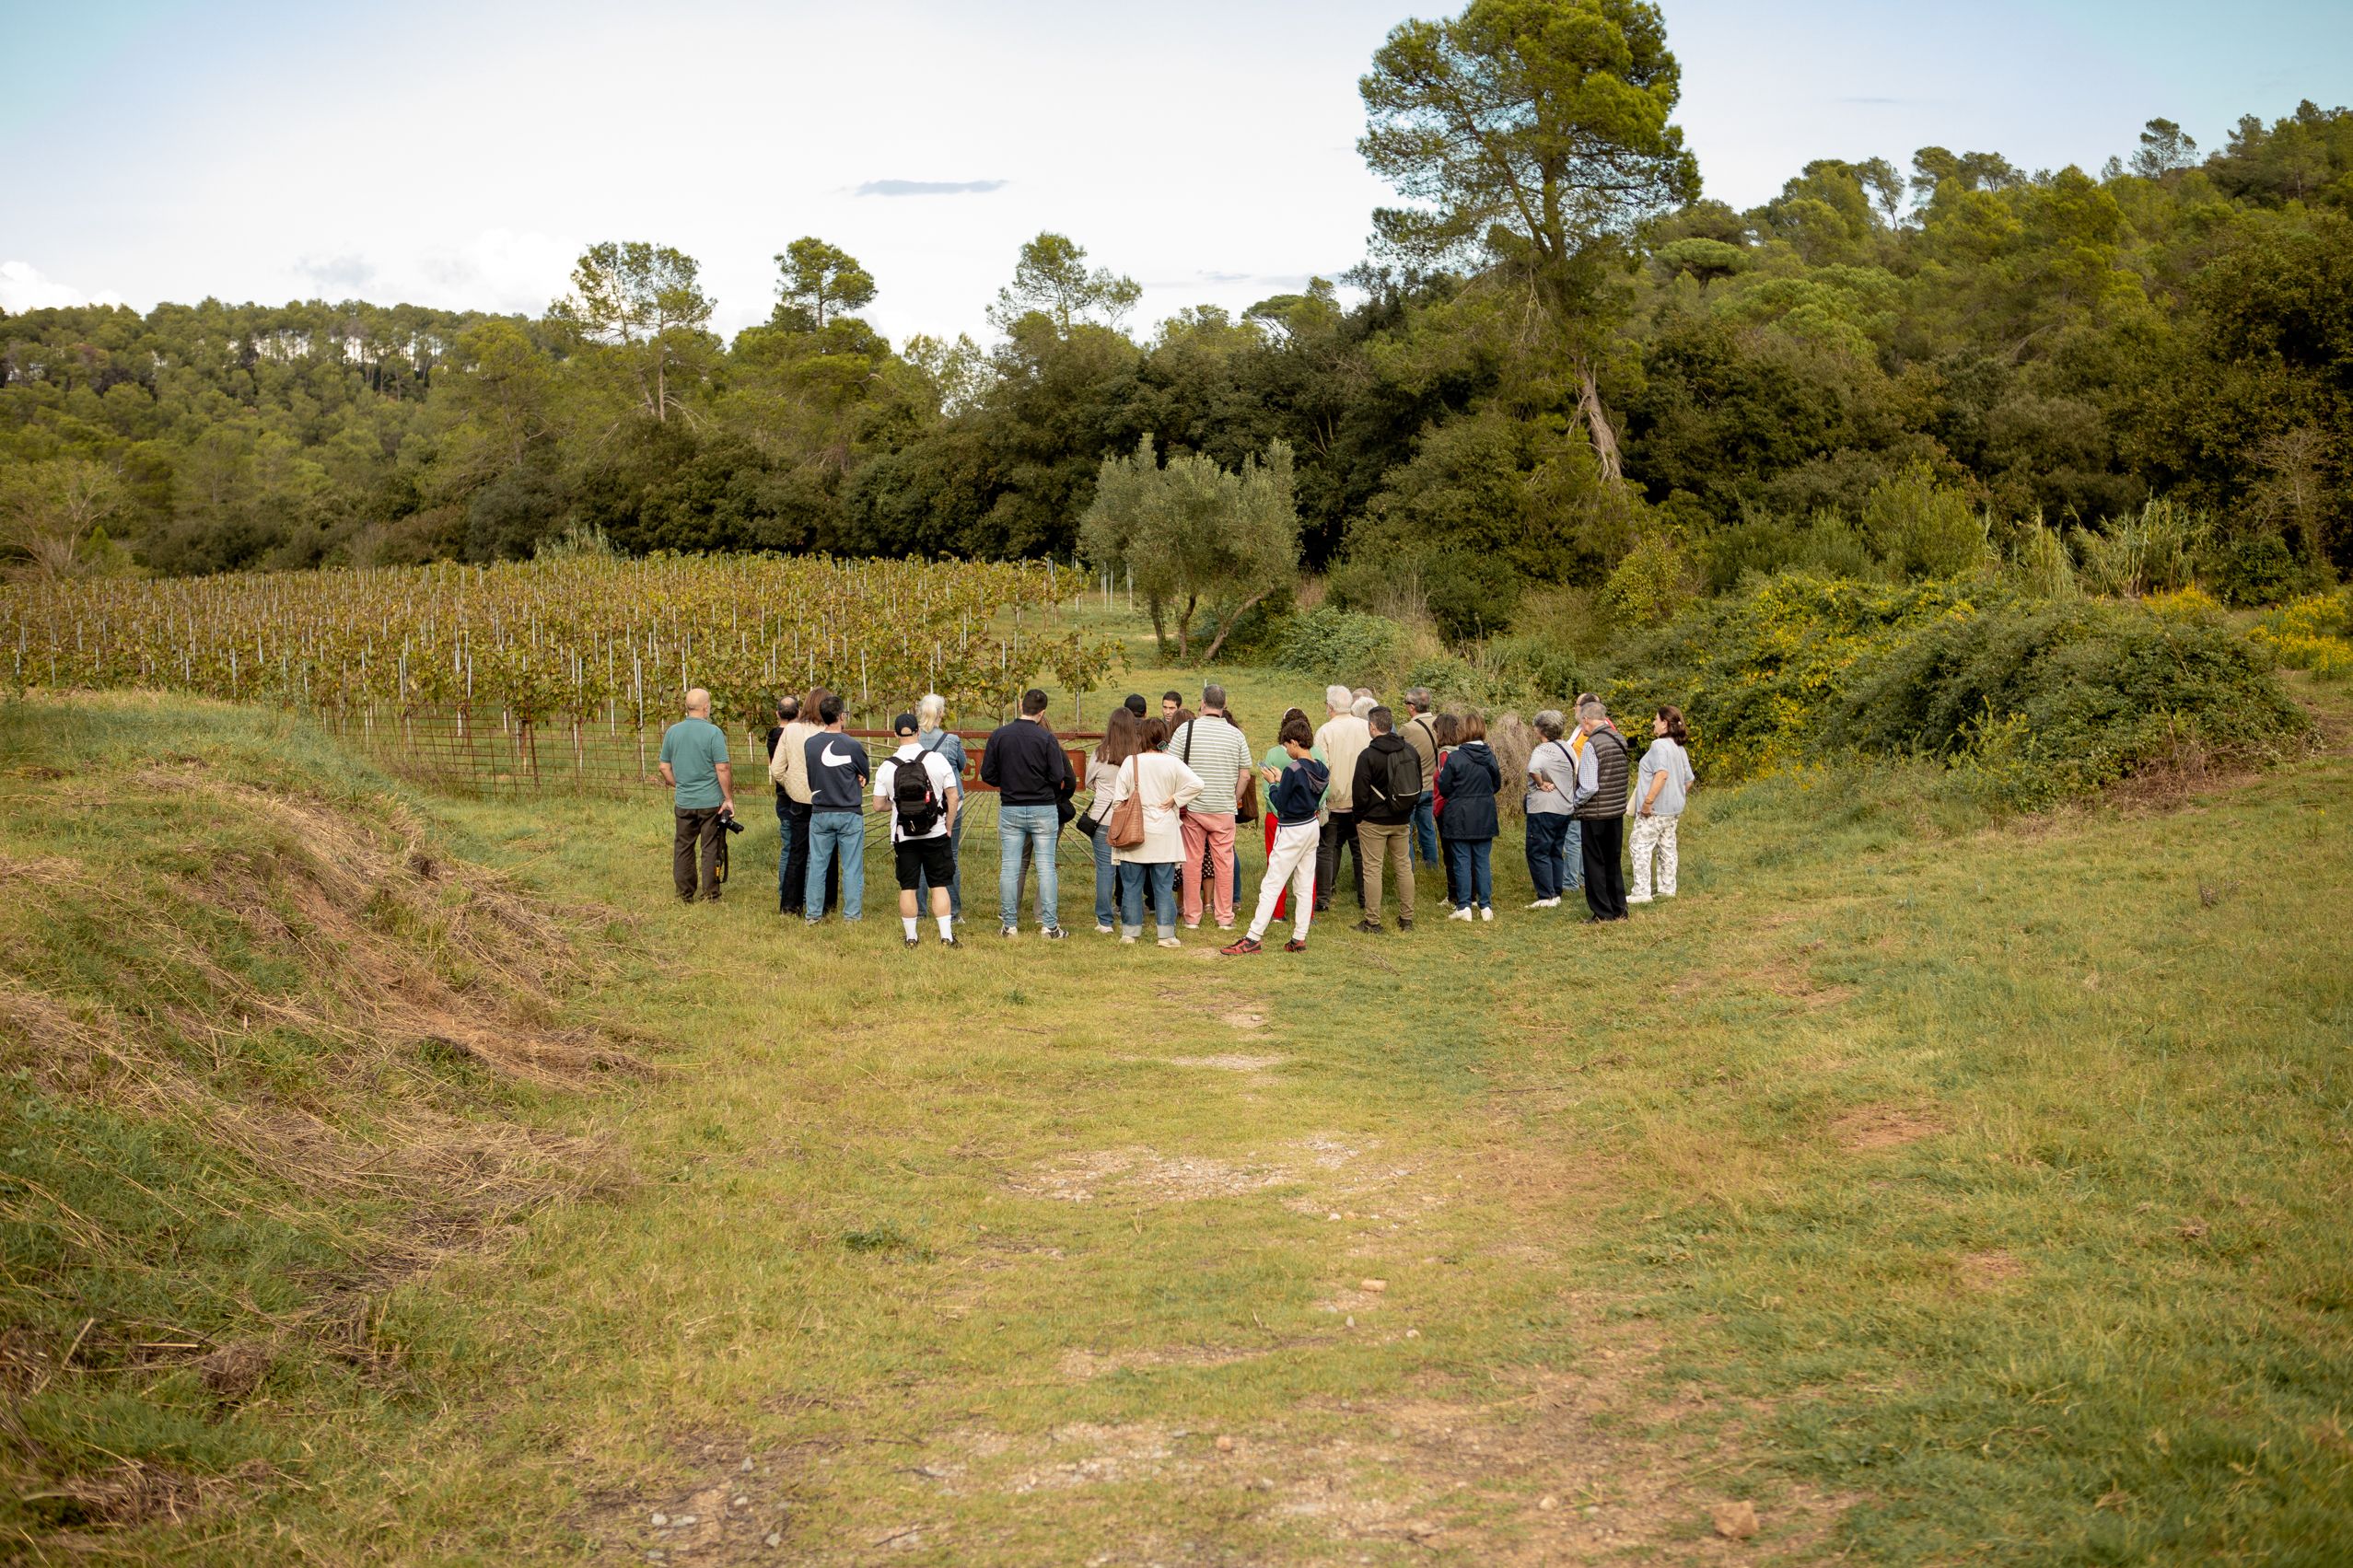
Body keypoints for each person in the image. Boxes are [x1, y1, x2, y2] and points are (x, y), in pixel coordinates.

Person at [1224, 714, 1327, 955]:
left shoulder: (1292, 769)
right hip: (1311, 826)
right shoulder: (1320, 767)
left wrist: (1273, 783)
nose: (1286, 750)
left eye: (1286, 745)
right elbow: (1307, 790)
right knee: (1304, 882)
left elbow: (1280, 802)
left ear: (1293, 742)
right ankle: (1299, 937)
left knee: (1272, 883)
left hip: (1291, 829)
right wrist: (1284, 780)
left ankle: (1253, 937)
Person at [980, 687, 1074, 939]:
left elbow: (987, 774)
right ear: (1042, 713)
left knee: (1010, 867)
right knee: (1046, 868)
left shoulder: (999, 735)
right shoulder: (1046, 739)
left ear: (1021, 705)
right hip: (1043, 807)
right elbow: (1057, 776)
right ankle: (1050, 926)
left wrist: (1009, 781)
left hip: (1011, 807)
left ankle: (1009, 925)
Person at [1108, 716, 1204, 947]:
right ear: (1164, 738)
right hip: (1165, 834)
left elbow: (1117, 800)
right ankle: (1166, 935)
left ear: (1141, 738)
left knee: (1131, 885)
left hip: (1135, 834)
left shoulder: (1131, 763)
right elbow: (1197, 784)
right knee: (1163, 886)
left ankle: (1130, 933)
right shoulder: (1172, 762)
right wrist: (1175, 799)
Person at [874, 711, 962, 949]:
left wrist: (898, 804)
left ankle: (911, 937)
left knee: (908, 886)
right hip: (936, 831)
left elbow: (878, 804)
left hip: (904, 835)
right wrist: (949, 827)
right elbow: (953, 797)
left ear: (895, 735)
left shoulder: (887, 766)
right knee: (939, 884)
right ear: (919, 732)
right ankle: (946, 937)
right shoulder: (936, 760)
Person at [1169, 684, 1253, 931]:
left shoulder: (1186, 730)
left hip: (1193, 808)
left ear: (1202, 703)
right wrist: (1233, 797)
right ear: (1224, 705)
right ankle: (1224, 916)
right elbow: (1245, 775)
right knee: (1224, 862)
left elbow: (1171, 767)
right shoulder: (1236, 735)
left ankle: (1192, 916)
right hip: (1224, 808)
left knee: (1192, 861)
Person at [658, 687, 734, 903]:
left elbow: (664, 767)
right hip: (710, 802)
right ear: (706, 707)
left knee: (683, 846)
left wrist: (679, 784)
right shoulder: (713, 733)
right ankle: (711, 894)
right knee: (710, 847)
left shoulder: (673, 731)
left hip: (684, 801)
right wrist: (728, 798)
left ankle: (684, 894)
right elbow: (722, 768)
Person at [1350, 705, 1421, 933]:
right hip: (1402, 818)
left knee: (1372, 869)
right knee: (1403, 867)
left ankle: (1373, 921)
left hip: (1373, 821)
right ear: (1390, 724)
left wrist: (1359, 818)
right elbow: (1418, 782)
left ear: (1372, 727)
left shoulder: (1368, 756)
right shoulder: (1410, 751)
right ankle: (1407, 918)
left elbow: (1359, 794)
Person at [768, 684, 835, 917]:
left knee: (797, 852)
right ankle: (827, 904)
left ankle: (790, 905)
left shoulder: (791, 731)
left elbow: (776, 769)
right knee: (827, 853)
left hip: (798, 801)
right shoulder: (830, 732)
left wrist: (792, 785)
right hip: (826, 800)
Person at [802, 693, 868, 923]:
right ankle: (851, 916)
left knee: (818, 865)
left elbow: (811, 775)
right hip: (849, 812)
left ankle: (813, 915)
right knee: (852, 867)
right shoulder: (852, 745)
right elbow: (864, 773)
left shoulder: (810, 744)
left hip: (820, 811)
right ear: (841, 716)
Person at [1569, 697, 1632, 922]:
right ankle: (1619, 909)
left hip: (1596, 812)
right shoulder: (1619, 739)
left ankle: (1602, 912)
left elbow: (1588, 786)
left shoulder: (1591, 745)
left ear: (1586, 721)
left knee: (1595, 862)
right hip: (1615, 810)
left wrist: (1574, 803)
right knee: (1613, 861)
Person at [1435, 711, 1501, 922]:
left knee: (1462, 861)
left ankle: (1464, 906)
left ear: (1462, 731)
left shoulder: (1455, 758)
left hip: (1459, 815)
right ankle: (1485, 906)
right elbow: (1496, 784)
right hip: (1484, 813)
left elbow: (1443, 786)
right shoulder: (1490, 756)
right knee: (1482, 861)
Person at [1312, 684, 1372, 913]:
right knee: (1360, 851)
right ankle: (1365, 897)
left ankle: (1324, 899)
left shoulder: (1325, 732)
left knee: (1327, 848)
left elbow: (1321, 769)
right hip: (1360, 801)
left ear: (1330, 707)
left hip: (1333, 801)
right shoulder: (1365, 728)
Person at [1630, 705, 1695, 904]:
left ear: (1665, 723)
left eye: (1656, 719)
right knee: (1667, 848)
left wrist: (1648, 802)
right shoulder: (1679, 748)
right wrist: (1676, 794)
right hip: (1673, 809)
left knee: (1639, 845)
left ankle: (1641, 891)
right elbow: (1689, 779)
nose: (1653, 723)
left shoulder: (1659, 746)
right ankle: (1667, 888)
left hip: (1655, 810)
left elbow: (1661, 774)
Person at [912, 692, 969, 923]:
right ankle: (953, 911)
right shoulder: (951, 741)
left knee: (920, 854)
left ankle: (919, 910)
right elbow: (962, 765)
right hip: (949, 804)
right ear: (941, 714)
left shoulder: (912, 740)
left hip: (919, 806)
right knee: (949, 854)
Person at [1085, 707, 1142, 934]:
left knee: (1104, 871)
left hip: (1103, 818)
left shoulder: (1100, 753)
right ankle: (1130, 917)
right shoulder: (1138, 755)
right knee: (1130, 871)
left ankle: (1105, 921)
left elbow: (1089, 780)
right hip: (1130, 818)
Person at [1257, 707, 1315, 922]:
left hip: (1281, 818)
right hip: (1309, 818)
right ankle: (1305, 917)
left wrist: (1275, 790)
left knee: (1276, 868)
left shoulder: (1276, 755)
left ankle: (1277, 913)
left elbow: (1271, 793)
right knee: (1306, 873)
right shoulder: (1316, 758)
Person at [1522, 709, 1581, 910]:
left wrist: (1540, 784)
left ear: (1540, 729)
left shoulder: (1543, 750)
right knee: (1556, 850)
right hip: (1565, 807)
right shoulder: (1567, 747)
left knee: (1538, 850)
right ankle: (1556, 891)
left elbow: (1533, 769)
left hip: (1544, 807)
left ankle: (1546, 896)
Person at [762, 694, 799, 908]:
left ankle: (784, 889)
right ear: (799, 713)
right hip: (798, 797)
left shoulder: (773, 736)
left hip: (782, 796)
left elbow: (774, 765)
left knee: (787, 846)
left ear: (777, 714)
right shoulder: (798, 737)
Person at [1401, 688, 1440, 866]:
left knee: (1406, 830)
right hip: (1433, 785)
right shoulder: (1439, 723)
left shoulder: (1407, 729)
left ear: (1411, 707)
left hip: (1413, 787)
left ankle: (1409, 867)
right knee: (1427, 828)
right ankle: (1431, 864)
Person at [1431, 713, 1462, 910]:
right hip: (1453, 808)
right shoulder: (1459, 751)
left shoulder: (1444, 754)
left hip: (1446, 808)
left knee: (1450, 854)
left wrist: (1439, 808)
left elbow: (1445, 785)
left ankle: (1454, 894)